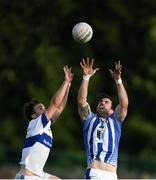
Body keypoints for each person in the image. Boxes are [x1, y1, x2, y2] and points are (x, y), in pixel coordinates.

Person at [15, 65, 73, 179]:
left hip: (38, 174)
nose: (45, 109)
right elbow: (55, 104)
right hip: (27, 176)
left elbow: (59, 108)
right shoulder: (36, 123)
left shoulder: (45, 125)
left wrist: (68, 86)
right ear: (33, 115)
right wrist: (65, 82)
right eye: (40, 108)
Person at [77, 57, 128, 180]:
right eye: (100, 101)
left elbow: (124, 104)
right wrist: (86, 77)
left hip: (112, 175)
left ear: (112, 109)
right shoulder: (89, 120)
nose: (102, 103)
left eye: (106, 102)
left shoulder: (115, 121)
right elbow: (81, 101)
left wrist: (118, 80)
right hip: (95, 173)